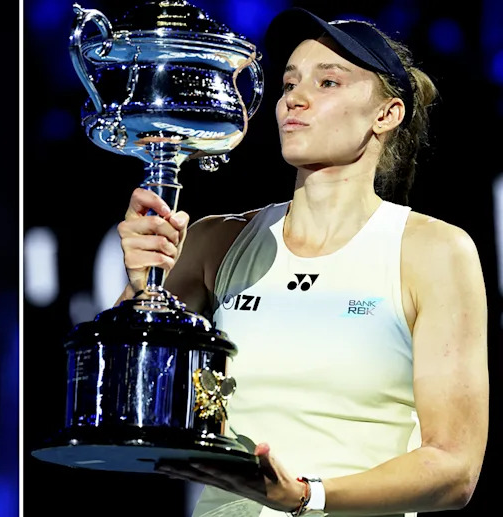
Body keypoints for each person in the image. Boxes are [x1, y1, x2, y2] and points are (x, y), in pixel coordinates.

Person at [116, 8, 487, 517]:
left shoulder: (434, 252)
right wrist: (143, 286)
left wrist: (310, 496)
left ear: (386, 114)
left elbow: (453, 468)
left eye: (328, 81)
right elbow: (128, 402)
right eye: (289, 83)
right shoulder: (215, 242)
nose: (295, 97)